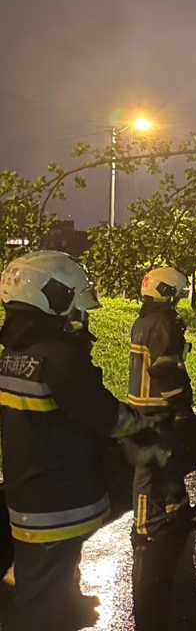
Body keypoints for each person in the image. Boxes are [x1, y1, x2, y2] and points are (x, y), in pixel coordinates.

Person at [0, 251, 161, 630]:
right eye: (74, 303)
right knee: (42, 603)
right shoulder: (59, 356)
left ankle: (58, 601)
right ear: (50, 297)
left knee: (44, 573)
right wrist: (142, 423)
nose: (80, 315)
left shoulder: (16, 354)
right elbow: (104, 414)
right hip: (61, 500)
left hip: (30, 494)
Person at [127, 266, 196, 546]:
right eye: (178, 293)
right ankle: (145, 526)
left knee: (168, 460)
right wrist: (181, 406)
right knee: (149, 467)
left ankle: (175, 509)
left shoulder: (147, 320)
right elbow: (165, 368)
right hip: (156, 406)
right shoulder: (161, 323)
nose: (179, 298)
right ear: (167, 291)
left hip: (148, 404)